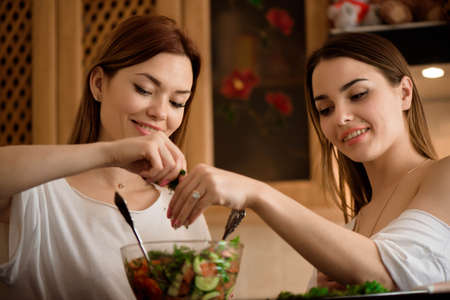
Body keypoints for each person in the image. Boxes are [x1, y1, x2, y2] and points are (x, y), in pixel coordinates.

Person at [168, 32, 450, 291]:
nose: (340, 117)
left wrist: (258, 193)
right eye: (325, 109)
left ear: (404, 93)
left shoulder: (444, 174)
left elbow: (388, 271)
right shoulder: (351, 230)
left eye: (358, 94)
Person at [0, 15, 210, 299]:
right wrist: (111, 154)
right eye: (144, 90)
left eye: (177, 102)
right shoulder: (36, 195)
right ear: (99, 84)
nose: (161, 113)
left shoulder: (182, 206)